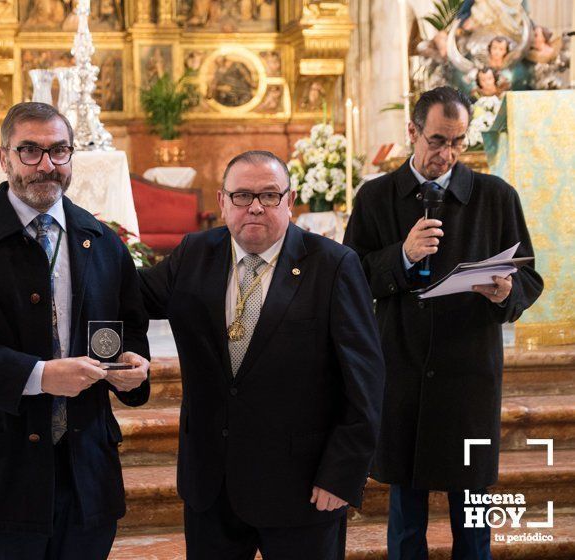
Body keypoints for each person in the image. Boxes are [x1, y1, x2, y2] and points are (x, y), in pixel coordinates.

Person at [0, 102, 150, 560]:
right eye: (30, 151)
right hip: (2, 466)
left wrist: (133, 368)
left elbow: (128, 330)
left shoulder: (99, 240)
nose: (47, 165)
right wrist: (38, 376)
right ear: (4, 158)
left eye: (59, 151)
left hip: (86, 468)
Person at [139, 150, 385, 559]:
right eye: (241, 196)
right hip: (211, 487)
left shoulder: (333, 265)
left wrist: (342, 475)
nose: (255, 206)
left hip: (302, 488)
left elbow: (366, 381)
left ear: (289, 201)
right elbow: (132, 296)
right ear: (222, 202)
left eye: (269, 195)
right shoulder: (194, 254)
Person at [343, 86, 543, 560]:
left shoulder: (496, 196)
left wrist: (506, 291)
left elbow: (529, 275)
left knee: (474, 522)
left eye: (456, 141)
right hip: (403, 369)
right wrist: (402, 256)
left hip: (469, 377)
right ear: (412, 131)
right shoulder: (376, 197)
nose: (446, 153)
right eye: (436, 140)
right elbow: (348, 280)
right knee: (407, 523)